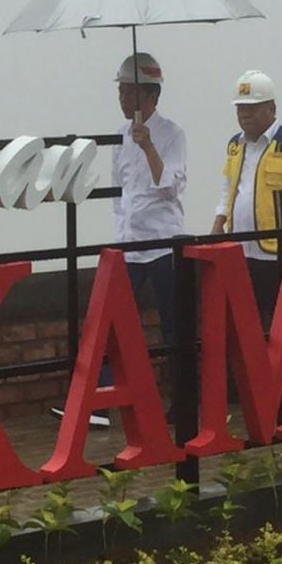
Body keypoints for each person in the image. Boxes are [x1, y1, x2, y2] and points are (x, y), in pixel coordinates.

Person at [51, 52, 186, 427]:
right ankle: (98, 405)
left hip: (162, 243)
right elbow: (119, 193)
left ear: (149, 95)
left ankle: (183, 402)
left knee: (174, 326)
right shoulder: (120, 136)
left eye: (129, 91)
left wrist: (149, 147)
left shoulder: (172, 134)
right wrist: (118, 236)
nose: (122, 98)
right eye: (121, 90)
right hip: (129, 245)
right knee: (107, 321)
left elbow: (170, 187)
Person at [211, 70, 282, 325]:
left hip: (278, 256)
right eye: (240, 108)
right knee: (246, 326)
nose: (244, 114)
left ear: (271, 108)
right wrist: (218, 223)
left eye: (252, 107)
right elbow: (229, 189)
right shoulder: (235, 145)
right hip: (241, 252)